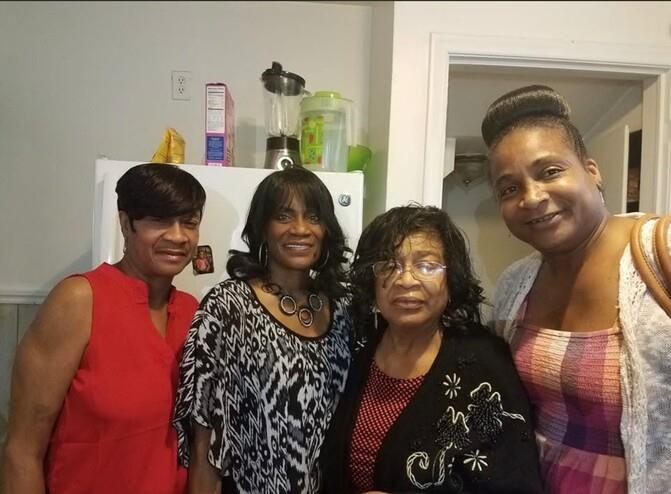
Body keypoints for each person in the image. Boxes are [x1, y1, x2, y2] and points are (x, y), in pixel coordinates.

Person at [481, 85, 671, 493]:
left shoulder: (662, 252)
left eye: (550, 171)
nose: (532, 197)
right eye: (509, 188)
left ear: (592, 170)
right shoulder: (515, 283)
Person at [2, 163, 206, 493]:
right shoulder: (79, 300)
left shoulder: (192, 311)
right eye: (159, 220)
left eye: (190, 223)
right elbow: (21, 450)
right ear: (126, 223)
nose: (178, 236)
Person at [320, 204, 543, 493]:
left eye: (426, 266)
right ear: (371, 280)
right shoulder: (356, 347)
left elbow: (514, 484)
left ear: (451, 280)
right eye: (389, 265)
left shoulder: (484, 364)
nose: (406, 280)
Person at [173, 165, 353, 494]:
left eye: (313, 217)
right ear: (263, 228)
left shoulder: (342, 312)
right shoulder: (229, 307)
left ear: (326, 229)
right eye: (284, 216)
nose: (301, 229)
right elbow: (205, 442)